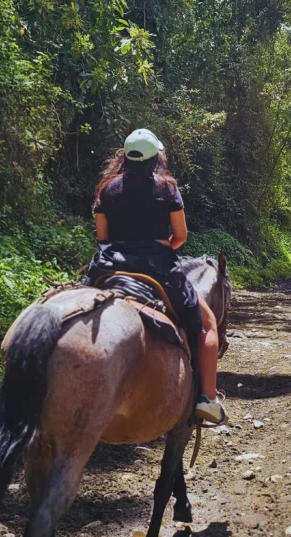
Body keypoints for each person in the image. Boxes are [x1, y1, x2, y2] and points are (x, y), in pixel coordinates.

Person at [86, 128, 226, 424]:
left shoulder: (107, 189)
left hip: (109, 266)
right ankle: (207, 398)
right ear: (154, 160)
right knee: (207, 324)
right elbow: (181, 236)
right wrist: (162, 246)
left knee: (81, 306)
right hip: (156, 269)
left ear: (124, 157)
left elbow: (102, 238)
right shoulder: (167, 189)